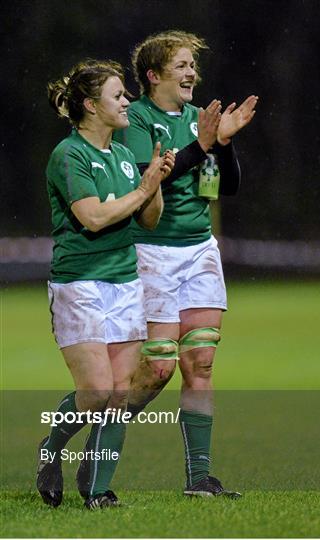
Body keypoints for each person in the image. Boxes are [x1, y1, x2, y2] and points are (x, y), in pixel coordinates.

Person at [117, 30, 258, 497]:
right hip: (150, 251)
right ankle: (80, 440)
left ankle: (200, 480)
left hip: (199, 250)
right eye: (180, 65)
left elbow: (226, 187)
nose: (191, 73)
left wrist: (225, 142)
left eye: (192, 65)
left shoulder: (201, 118)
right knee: (156, 370)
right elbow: (147, 180)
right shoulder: (135, 119)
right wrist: (202, 144)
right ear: (153, 75)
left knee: (200, 361)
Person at [36, 58, 175, 509]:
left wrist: (153, 184)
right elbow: (92, 218)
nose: (127, 102)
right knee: (95, 392)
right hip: (80, 286)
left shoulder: (121, 153)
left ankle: (97, 490)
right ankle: (51, 450)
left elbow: (148, 221)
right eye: (118, 95)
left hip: (124, 283)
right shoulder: (69, 154)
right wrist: (141, 189)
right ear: (92, 106)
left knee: (118, 393)